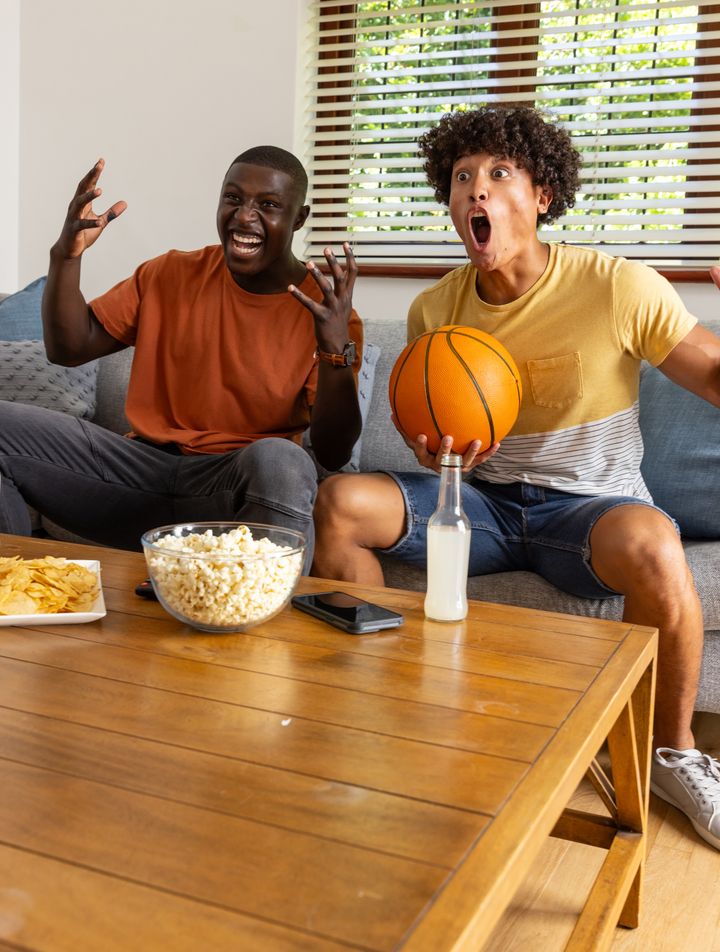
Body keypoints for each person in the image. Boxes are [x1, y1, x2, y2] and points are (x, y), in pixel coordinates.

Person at [312, 105, 720, 849]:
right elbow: (425, 434)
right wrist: (440, 449)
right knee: (341, 502)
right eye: (463, 177)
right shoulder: (436, 307)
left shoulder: (617, 286)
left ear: (542, 196)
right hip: (481, 506)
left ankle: (673, 752)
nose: (478, 190)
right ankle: (369, 710)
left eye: (500, 174)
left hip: (590, 512)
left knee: (658, 547)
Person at [0, 146, 363, 569]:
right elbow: (69, 348)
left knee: (283, 460)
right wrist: (66, 256)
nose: (244, 216)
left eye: (268, 205)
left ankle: (265, 619)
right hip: (136, 477)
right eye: (233, 198)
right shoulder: (170, 274)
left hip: (231, 496)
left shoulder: (328, 313)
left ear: (298, 219)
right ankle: (14, 597)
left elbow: (334, 454)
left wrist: (333, 349)